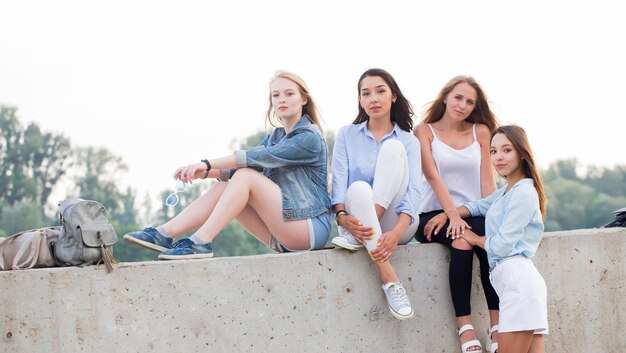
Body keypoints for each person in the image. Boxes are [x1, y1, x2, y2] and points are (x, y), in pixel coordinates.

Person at [124, 70, 332, 259]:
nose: (281, 100)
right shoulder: (276, 136)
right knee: (231, 182)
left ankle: (201, 241)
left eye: (289, 94)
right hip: (282, 236)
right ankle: (164, 234)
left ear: (303, 98)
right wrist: (201, 173)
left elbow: (252, 157)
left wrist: (204, 164)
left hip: (310, 229)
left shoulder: (309, 137)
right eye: (275, 95)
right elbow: (236, 170)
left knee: (245, 176)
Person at [415, 76, 500, 353]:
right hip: (432, 214)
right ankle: (465, 327)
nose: (462, 105)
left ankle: (496, 327)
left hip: (472, 211)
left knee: (488, 238)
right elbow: (432, 176)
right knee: (462, 241)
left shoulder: (482, 132)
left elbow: (487, 183)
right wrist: (450, 215)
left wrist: (495, 218)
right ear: (445, 97)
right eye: (458, 97)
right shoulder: (424, 131)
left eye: (469, 101)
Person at [331, 68, 422, 320]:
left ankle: (365, 231)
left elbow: (415, 191)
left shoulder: (409, 141)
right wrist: (341, 217)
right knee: (358, 188)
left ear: (393, 96)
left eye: (380, 91)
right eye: (366, 93)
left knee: (392, 148)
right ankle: (391, 279)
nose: (374, 98)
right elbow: (338, 181)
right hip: (355, 221)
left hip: (397, 224)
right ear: (360, 100)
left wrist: (395, 233)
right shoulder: (346, 135)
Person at [456, 125, 548, 353]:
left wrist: (475, 239)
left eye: (507, 150)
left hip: (518, 284)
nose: (499, 157)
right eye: (494, 151)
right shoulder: (508, 191)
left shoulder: (524, 192)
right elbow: (478, 206)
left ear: (522, 153)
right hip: (517, 285)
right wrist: (447, 215)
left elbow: (503, 245)